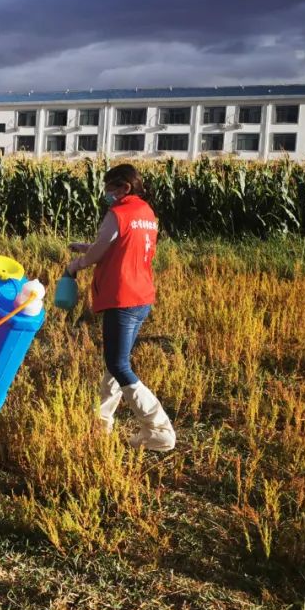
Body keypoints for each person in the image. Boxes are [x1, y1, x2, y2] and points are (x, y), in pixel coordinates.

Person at [66, 163, 176, 451]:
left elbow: (99, 252)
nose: (107, 194)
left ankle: (159, 429)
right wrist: (87, 246)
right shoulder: (146, 214)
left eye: (111, 188)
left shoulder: (118, 212)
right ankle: (101, 423)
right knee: (114, 361)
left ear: (125, 188)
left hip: (121, 297)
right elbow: (122, 245)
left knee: (118, 363)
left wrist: (76, 264)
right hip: (141, 296)